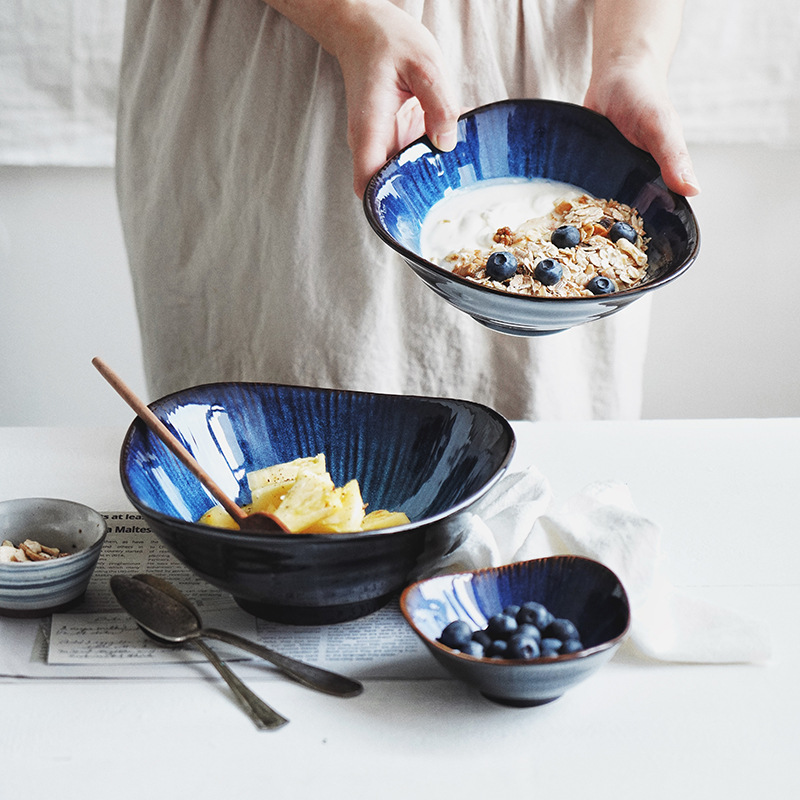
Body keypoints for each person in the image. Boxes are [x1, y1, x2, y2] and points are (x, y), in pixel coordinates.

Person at [116, 0, 699, 421]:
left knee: (544, 455)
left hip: (559, 74)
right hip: (279, 76)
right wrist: (346, 16)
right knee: (292, 458)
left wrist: (632, 56)